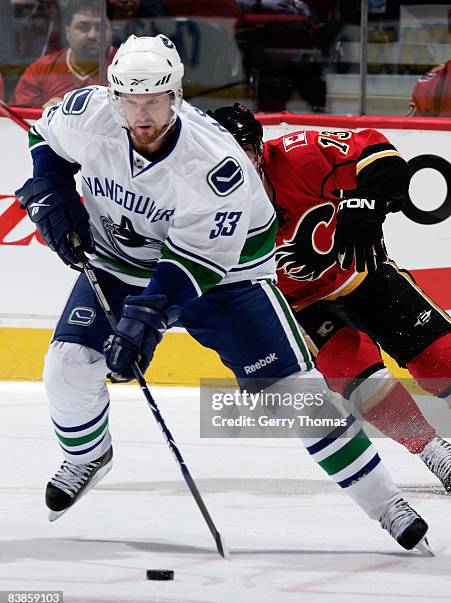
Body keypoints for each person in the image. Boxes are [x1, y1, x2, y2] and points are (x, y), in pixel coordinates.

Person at [17, 34, 430, 552]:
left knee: (295, 398)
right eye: (130, 100)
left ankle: (386, 502)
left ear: (177, 95)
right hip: (121, 263)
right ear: (113, 94)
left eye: (154, 101)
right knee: (67, 365)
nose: (141, 116)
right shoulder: (88, 114)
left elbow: (192, 267)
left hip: (226, 276)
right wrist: (48, 192)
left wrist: (144, 320)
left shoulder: (214, 163)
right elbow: (44, 139)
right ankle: (86, 456)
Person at [209, 103, 451, 490]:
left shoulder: (299, 154)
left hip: (361, 274)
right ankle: (434, 453)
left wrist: (367, 200)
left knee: (443, 358)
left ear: (260, 148)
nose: (237, 167)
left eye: (244, 152)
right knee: (357, 373)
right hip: (299, 307)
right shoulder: (197, 206)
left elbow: (378, 154)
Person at [10, 0, 115, 108]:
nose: (92, 35)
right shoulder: (41, 69)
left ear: (111, 31)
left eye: (100, 27)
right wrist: (46, 114)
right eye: (83, 27)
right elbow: (19, 118)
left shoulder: (127, 66)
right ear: (67, 32)